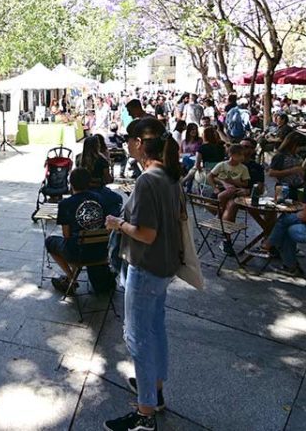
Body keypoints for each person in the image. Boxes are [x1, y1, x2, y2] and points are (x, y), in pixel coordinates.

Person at [103, 118, 182, 431]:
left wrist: (118, 224)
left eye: (128, 139)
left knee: (138, 337)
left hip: (147, 266)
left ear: (138, 142)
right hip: (163, 267)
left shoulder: (148, 180)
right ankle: (155, 391)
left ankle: (145, 412)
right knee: (155, 329)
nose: (126, 144)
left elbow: (146, 233)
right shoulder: (169, 173)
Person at [46, 168, 122, 295]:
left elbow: (66, 235)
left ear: (71, 183)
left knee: (51, 242)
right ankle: (70, 280)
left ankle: (71, 278)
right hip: (101, 251)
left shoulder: (65, 204)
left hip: (77, 253)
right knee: (80, 241)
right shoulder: (101, 199)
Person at [208, 144, 250, 229]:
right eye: (239, 155)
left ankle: (219, 217)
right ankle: (220, 215)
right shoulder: (222, 165)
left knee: (224, 194)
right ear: (232, 155)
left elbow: (246, 184)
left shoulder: (243, 168)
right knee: (210, 202)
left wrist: (235, 182)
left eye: (243, 155)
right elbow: (210, 176)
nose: (242, 157)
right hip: (221, 188)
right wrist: (214, 187)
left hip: (234, 189)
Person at [268, 132, 306, 199]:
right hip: (284, 187)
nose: (300, 149)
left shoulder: (298, 156)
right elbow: (271, 172)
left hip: (298, 186)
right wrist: (291, 171)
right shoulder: (280, 156)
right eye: (298, 147)